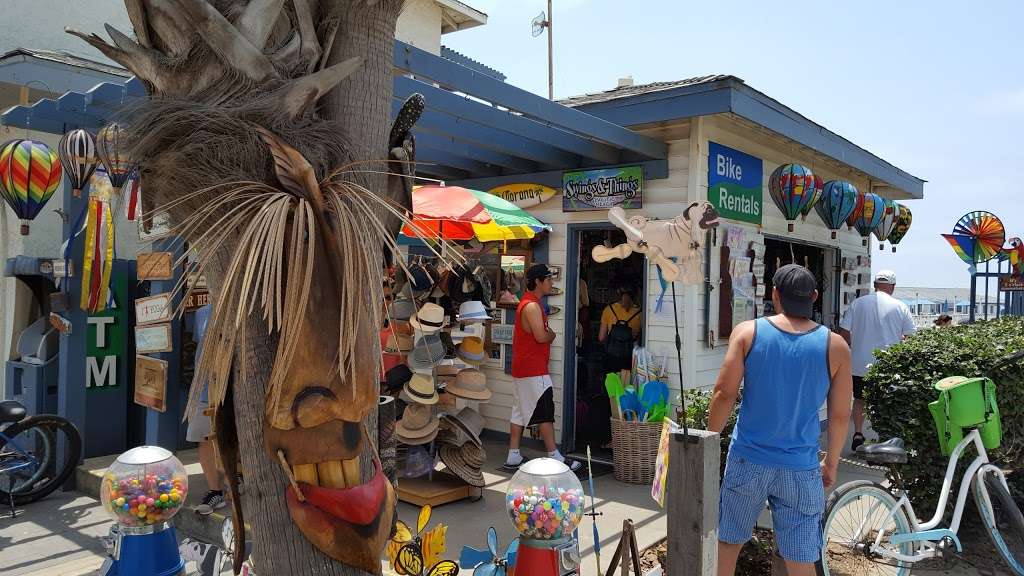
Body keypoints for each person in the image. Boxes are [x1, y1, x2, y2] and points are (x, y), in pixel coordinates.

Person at [708, 264, 852, 576]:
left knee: (728, 542)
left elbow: (723, 393)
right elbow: (840, 416)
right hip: (800, 467)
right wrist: (832, 463)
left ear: (775, 294)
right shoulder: (836, 345)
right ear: (814, 297)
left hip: (748, 460)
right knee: (800, 557)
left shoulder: (748, 333)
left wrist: (709, 437)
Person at [505, 263, 580, 471]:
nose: (551, 283)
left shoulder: (528, 303)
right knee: (544, 410)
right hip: (533, 368)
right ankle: (554, 454)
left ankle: (513, 454)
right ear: (538, 282)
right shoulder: (531, 305)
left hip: (523, 367)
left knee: (519, 411)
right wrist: (553, 335)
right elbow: (541, 336)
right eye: (548, 279)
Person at [839, 270, 916, 451]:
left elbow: (844, 334)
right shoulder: (900, 306)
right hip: (888, 366)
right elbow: (911, 337)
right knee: (886, 402)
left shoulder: (857, 304)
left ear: (875, 285)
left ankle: (858, 433)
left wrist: (856, 344)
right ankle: (884, 438)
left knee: (859, 400)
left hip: (859, 363)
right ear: (892, 286)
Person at [185, 304, 226, 515]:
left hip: (237, 389)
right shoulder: (202, 313)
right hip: (204, 388)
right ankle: (215, 490)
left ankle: (234, 478)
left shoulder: (242, 308)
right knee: (203, 438)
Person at [598, 285, 642, 378]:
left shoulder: (608, 310)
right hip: (629, 356)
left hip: (611, 354)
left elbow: (601, 337)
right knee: (627, 385)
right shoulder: (640, 313)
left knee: (611, 385)